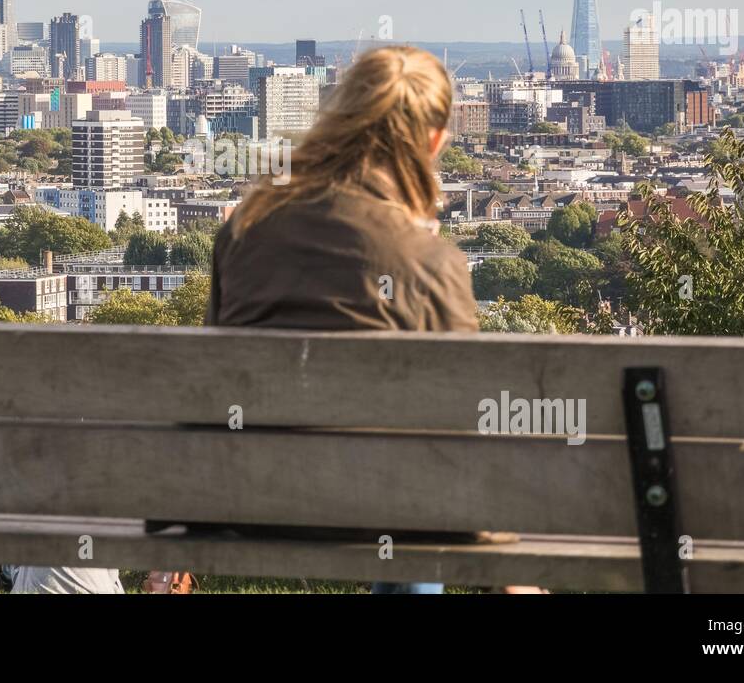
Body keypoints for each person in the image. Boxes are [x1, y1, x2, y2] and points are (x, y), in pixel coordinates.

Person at [205, 44, 544, 595]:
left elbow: (213, 372)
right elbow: (465, 429)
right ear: (434, 142)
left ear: (337, 121)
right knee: (411, 479)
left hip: (251, 497)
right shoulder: (431, 263)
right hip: (390, 505)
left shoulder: (246, 227)